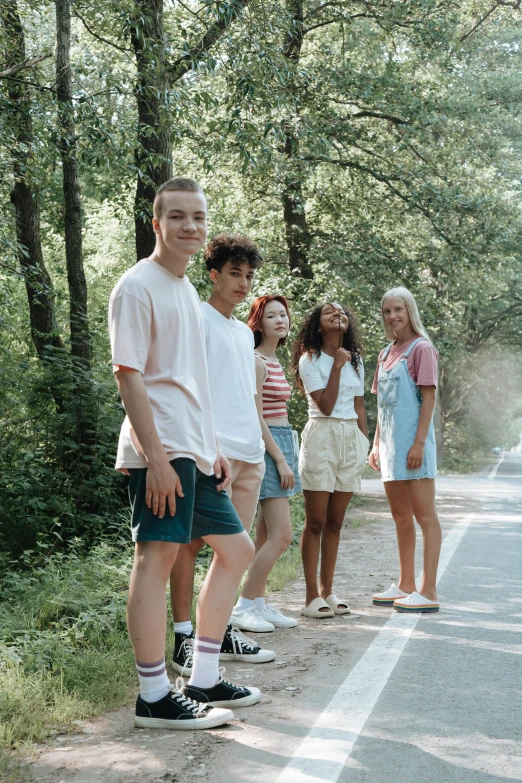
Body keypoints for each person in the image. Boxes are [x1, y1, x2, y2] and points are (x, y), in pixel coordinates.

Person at [108, 178, 261, 731]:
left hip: (196, 453)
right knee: (156, 560)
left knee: (238, 551)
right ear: (157, 223)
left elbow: (191, 381)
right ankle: (154, 695)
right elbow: (129, 375)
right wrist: (156, 458)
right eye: (177, 217)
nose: (189, 226)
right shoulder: (137, 286)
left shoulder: (186, 292)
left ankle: (203, 677)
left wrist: (212, 446)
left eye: (197, 217)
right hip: (161, 453)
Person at [170, 233, 277, 674]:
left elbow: (244, 395)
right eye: (234, 273)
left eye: (249, 275)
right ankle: (182, 637)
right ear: (214, 274)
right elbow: (191, 390)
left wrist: (263, 451)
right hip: (213, 455)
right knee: (190, 546)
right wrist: (205, 448)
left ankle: (219, 629)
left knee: (233, 552)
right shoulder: (196, 319)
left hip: (250, 454)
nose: (242, 283)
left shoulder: (240, 331)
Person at [229, 295, 301, 631]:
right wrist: (280, 461)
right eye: (271, 316)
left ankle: (257, 602)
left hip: (284, 439)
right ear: (258, 322)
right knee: (282, 536)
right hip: (270, 446)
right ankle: (243, 606)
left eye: (283, 315)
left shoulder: (274, 360)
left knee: (264, 535)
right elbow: (257, 417)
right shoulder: (256, 361)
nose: (279, 320)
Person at [293, 302, 369, 619]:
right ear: (318, 325)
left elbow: (360, 406)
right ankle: (311, 596)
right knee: (317, 522)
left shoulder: (357, 361)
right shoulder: (309, 359)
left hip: (350, 437)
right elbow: (325, 405)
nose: (337, 314)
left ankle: (328, 590)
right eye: (329, 313)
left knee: (336, 523)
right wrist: (336, 365)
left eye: (342, 312)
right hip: (322, 436)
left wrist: (364, 443)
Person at [369, 286, 441, 613]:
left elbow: (429, 398)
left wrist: (419, 443)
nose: (393, 316)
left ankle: (429, 591)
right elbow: (381, 405)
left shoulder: (421, 349)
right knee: (400, 516)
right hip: (389, 449)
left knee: (425, 516)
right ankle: (406, 584)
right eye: (387, 311)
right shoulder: (385, 354)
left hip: (414, 446)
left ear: (409, 311)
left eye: (398, 309)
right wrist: (375, 444)